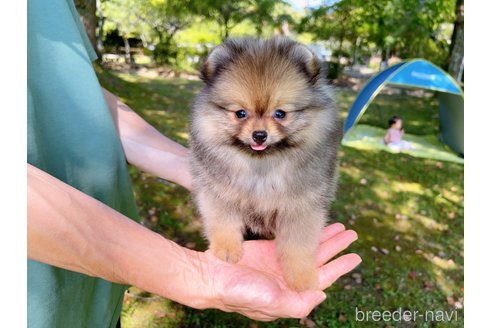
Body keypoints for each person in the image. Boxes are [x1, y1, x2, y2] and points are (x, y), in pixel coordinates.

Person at [27, 0, 361, 326]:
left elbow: (73, 92)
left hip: (96, 296)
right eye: (240, 113)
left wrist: (197, 169)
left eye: (280, 114)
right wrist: (199, 271)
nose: (259, 130)